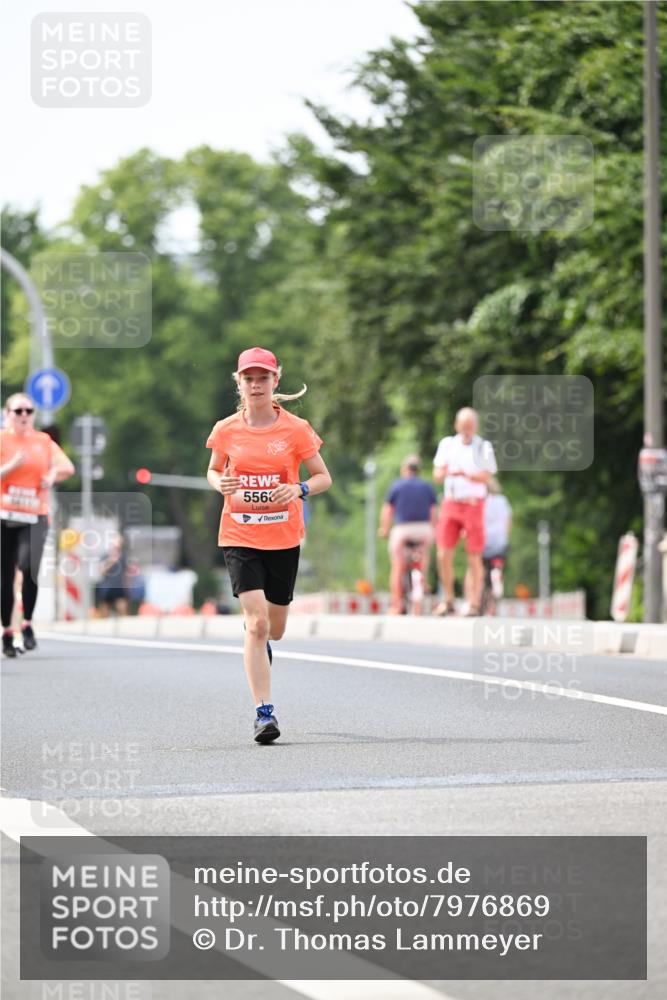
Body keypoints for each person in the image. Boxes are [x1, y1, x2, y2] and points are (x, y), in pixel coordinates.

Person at [206, 347, 332, 744]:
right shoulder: (226, 429)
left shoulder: (295, 429)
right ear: (238, 383)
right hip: (239, 535)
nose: (255, 385)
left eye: (263, 378)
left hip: (282, 538)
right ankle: (264, 714)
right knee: (256, 623)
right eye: (249, 378)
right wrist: (219, 483)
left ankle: (259, 640)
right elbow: (213, 470)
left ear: (275, 381)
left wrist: (298, 489)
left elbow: (323, 476)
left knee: (273, 630)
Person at [1, 393, 75, 656]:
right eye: (18, 411)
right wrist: (11, 466)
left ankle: (28, 623)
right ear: (7, 413)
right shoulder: (2, 440)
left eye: (28, 411)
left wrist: (53, 474)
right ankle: (8, 633)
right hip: (5, 514)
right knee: (5, 576)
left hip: (35, 515)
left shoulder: (43, 441)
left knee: (29, 566)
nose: (24, 416)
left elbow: (68, 467)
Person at [432, 407, 497, 617]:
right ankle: (448, 599)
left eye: (470, 427)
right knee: (443, 552)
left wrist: (466, 474)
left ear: (475, 427)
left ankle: (474, 602)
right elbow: (437, 473)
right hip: (451, 502)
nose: (466, 431)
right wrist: (446, 472)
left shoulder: (483, 447)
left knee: (474, 555)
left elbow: (486, 476)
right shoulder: (448, 444)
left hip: (473, 503)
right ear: (456, 425)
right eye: (463, 426)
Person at [378, 454, 437, 614]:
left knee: (398, 565)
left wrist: (384, 528)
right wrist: (434, 529)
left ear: (404, 469)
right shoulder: (427, 487)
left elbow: (387, 510)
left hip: (403, 530)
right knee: (423, 559)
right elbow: (433, 511)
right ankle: (422, 582)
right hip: (424, 529)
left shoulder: (396, 486)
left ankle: (396, 605)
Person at [464, 477, 512, 611]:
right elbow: (508, 522)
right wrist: (505, 538)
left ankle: (471, 599)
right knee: (496, 564)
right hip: (500, 543)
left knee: (473, 567)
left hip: (483, 543)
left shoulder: (479, 502)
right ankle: (497, 584)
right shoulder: (503, 501)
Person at [95, 531, 129, 617]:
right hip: (107, 586)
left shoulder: (123, 557)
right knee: (105, 611)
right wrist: (111, 561)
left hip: (119, 586)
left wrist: (127, 586)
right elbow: (101, 571)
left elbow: (125, 574)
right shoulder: (105, 556)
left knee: (122, 609)